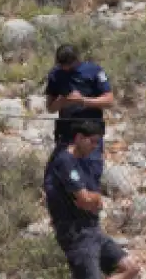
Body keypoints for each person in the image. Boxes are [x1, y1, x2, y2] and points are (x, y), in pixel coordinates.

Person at [43, 120, 139, 279]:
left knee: (130, 267)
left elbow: (90, 199)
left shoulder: (85, 161)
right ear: (78, 137)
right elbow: (85, 199)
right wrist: (93, 199)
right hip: (76, 233)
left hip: (93, 229)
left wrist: (92, 199)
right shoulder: (65, 161)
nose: (95, 146)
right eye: (92, 141)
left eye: (98, 142)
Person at [45, 44, 114, 185]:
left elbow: (109, 100)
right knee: (55, 177)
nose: (65, 68)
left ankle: (88, 203)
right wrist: (62, 102)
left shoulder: (94, 71)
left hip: (91, 133)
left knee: (89, 176)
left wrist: (82, 101)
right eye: (62, 65)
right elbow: (50, 108)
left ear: (77, 60)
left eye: (69, 65)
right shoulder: (55, 75)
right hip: (66, 133)